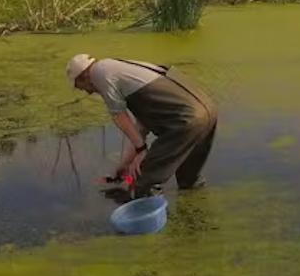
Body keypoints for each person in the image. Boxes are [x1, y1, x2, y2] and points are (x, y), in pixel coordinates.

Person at [66, 55, 217, 198]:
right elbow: (142, 126)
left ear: (84, 76)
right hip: (207, 112)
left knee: (144, 183)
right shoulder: (122, 71)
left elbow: (119, 115)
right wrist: (124, 165)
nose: (87, 92)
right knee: (189, 181)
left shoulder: (99, 73)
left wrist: (141, 150)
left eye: (81, 87)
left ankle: (153, 222)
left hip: (187, 122)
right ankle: (196, 219)